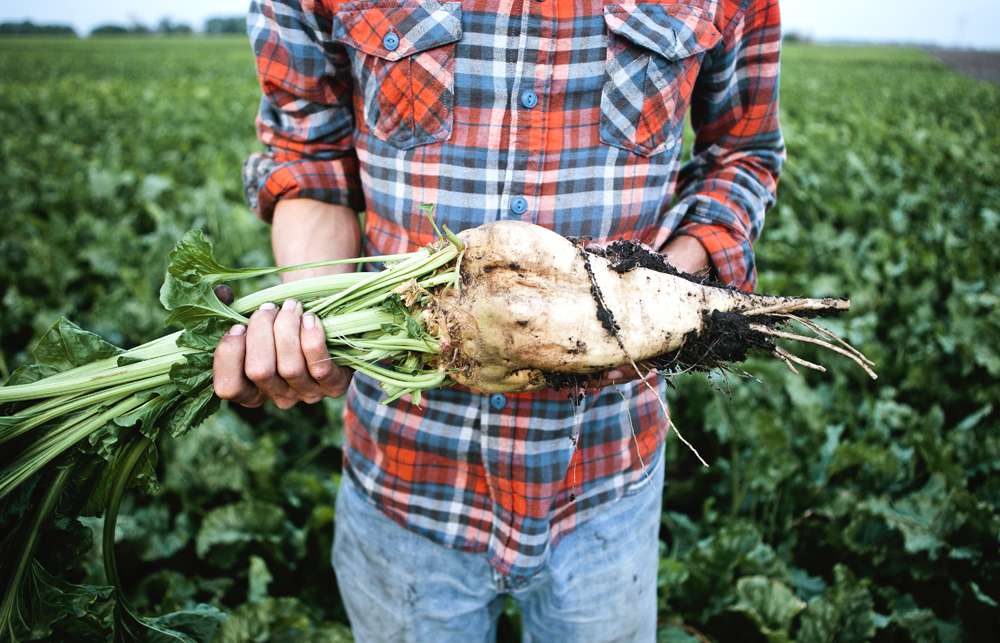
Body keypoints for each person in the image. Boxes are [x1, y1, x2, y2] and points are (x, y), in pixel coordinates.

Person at [213, 0, 784, 640]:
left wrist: (647, 301)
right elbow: (310, 155)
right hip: (406, 478)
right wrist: (320, 322)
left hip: (608, 481)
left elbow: (742, 152)